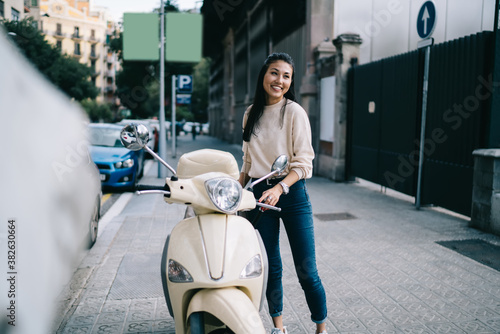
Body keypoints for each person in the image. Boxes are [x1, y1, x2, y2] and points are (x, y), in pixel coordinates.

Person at [238, 52, 328, 334]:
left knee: (307, 271)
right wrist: (235, 193)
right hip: (258, 195)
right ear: (264, 75)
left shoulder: (294, 112)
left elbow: (303, 163)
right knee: (270, 267)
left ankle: (321, 328)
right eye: (274, 73)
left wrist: (280, 187)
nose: (280, 80)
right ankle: (279, 327)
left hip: (291, 192)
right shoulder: (250, 113)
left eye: (286, 75)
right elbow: (248, 161)